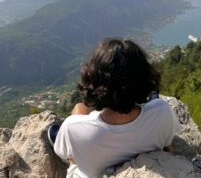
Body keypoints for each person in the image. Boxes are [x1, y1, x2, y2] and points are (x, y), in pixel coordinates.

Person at [53, 38, 181, 178]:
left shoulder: (72, 127)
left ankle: (63, 140)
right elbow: (167, 146)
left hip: (90, 172)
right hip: (146, 163)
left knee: (79, 108)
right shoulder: (161, 111)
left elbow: (63, 154)